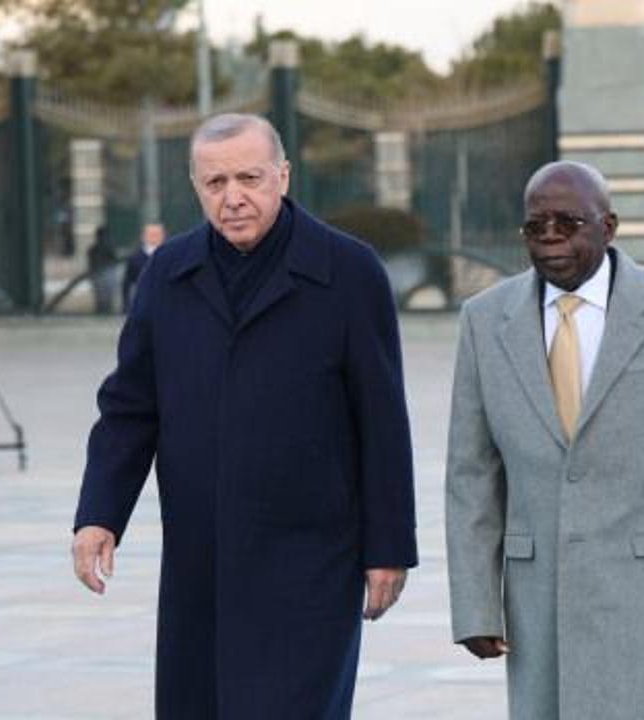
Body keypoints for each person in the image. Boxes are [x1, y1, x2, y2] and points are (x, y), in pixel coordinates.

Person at [71, 113, 417, 719]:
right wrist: (100, 512)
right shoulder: (168, 273)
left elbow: (382, 420)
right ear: (196, 187)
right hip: (199, 565)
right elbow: (129, 407)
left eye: (249, 178)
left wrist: (388, 547)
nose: (233, 197)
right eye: (216, 182)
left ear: (283, 176)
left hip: (311, 563)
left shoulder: (349, 272)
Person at [445, 160, 644, 720]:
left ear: (608, 227)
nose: (551, 236)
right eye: (536, 226)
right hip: (538, 601)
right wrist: (476, 606)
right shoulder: (483, 322)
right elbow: (471, 475)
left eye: (568, 222)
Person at [122, 222, 164, 312]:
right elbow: (127, 283)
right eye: (151, 234)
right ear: (143, 236)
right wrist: (126, 305)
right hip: (142, 304)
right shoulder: (134, 258)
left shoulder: (172, 255)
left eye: (157, 234)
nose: (154, 237)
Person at [87, 224, 119, 314]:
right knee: (100, 296)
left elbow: (114, 260)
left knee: (108, 295)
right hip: (98, 274)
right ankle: (102, 310)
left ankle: (107, 310)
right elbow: (91, 263)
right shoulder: (93, 249)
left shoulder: (110, 247)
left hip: (108, 272)